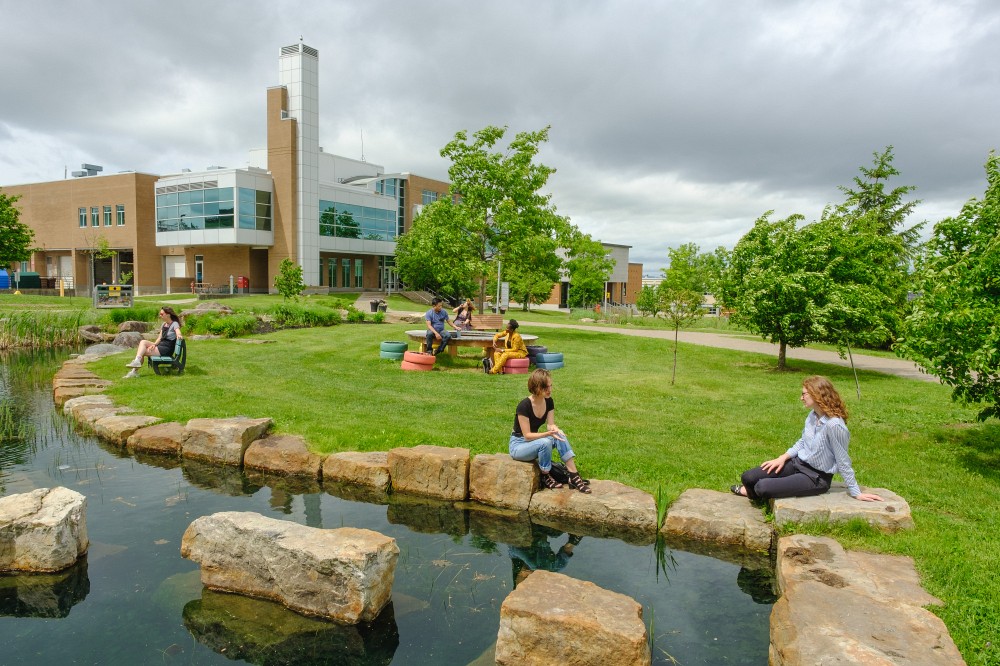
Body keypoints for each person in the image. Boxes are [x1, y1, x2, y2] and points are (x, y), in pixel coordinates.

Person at [731, 375, 883, 502]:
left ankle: (755, 492)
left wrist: (856, 492)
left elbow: (843, 460)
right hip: (798, 463)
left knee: (761, 487)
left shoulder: (834, 425)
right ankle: (753, 493)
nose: (801, 398)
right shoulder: (813, 415)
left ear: (817, 395)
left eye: (804, 394)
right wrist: (782, 458)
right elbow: (803, 441)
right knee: (748, 477)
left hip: (815, 477)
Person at [508, 368, 591, 493]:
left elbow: (550, 425)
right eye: (545, 387)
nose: (549, 390)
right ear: (536, 387)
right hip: (518, 446)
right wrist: (547, 434)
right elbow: (527, 436)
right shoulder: (524, 406)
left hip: (533, 443)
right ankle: (545, 476)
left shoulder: (549, 401)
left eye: (550, 386)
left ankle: (574, 476)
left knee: (559, 435)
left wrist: (555, 429)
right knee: (545, 442)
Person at [124, 307, 183, 378]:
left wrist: (179, 335)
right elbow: (160, 337)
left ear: (168, 315)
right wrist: (154, 344)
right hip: (161, 346)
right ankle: (136, 363)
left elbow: (177, 331)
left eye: (162, 314)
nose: (160, 316)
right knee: (143, 342)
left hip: (166, 349)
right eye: (160, 314)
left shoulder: (174, 323)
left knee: (142, 352)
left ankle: (134, 371)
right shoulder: (164, 324)